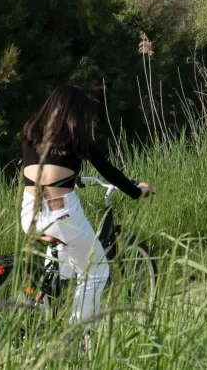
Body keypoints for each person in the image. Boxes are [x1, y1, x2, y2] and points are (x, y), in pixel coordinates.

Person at [20, 84, 153, 328]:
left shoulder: (31, 134)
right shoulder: (76, 139)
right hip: (62, 214)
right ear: (75, 114)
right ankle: (79, 339)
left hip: (29, 213)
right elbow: (110, 173)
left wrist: (71, 178)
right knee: (97, 271)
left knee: (67, 262)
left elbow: (46, 170)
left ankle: (44, 308)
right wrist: (137, 190)